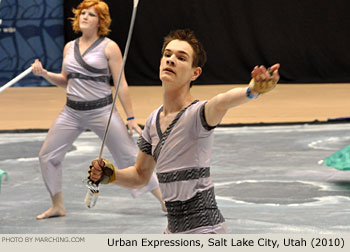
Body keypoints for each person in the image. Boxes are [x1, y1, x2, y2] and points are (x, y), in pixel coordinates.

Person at [89, 29, 280, 233]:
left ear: (195, 73)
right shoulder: (153, 121)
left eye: (181, 58)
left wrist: (252, 90)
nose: (171, 60)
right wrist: (111, 175)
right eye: (167, 55)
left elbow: (223, 101)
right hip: (173, 230)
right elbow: (140, 175)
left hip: (205, 229)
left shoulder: (199, 114)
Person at [31, 0, 165, 219]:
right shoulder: (69, 47)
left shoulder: (109, 47)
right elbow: (66, 80)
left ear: (100, 22)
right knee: (47, 156)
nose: (85, 17)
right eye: (82, 13)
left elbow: (120, 83)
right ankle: (57, 205)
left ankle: (164, 200)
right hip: (71, 112)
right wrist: (44, 73)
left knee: (130, 157)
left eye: (91, 15)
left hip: (102, 111)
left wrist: (130, 117)